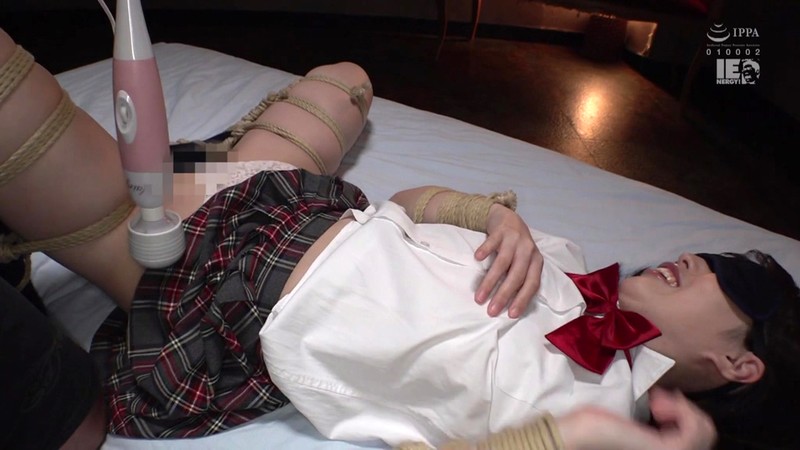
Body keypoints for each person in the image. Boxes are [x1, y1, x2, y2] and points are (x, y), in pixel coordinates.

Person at [0, 27, 792, 449]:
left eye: (732, 282)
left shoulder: (594, 416)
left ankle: (182, 171)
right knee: (348, 79)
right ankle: (204, 164)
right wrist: (494, 217)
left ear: (740, 363)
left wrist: (582, 437)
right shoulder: (571, 265)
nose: (698, 259)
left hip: (222, 279)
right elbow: (401, 204)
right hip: (297, 202)